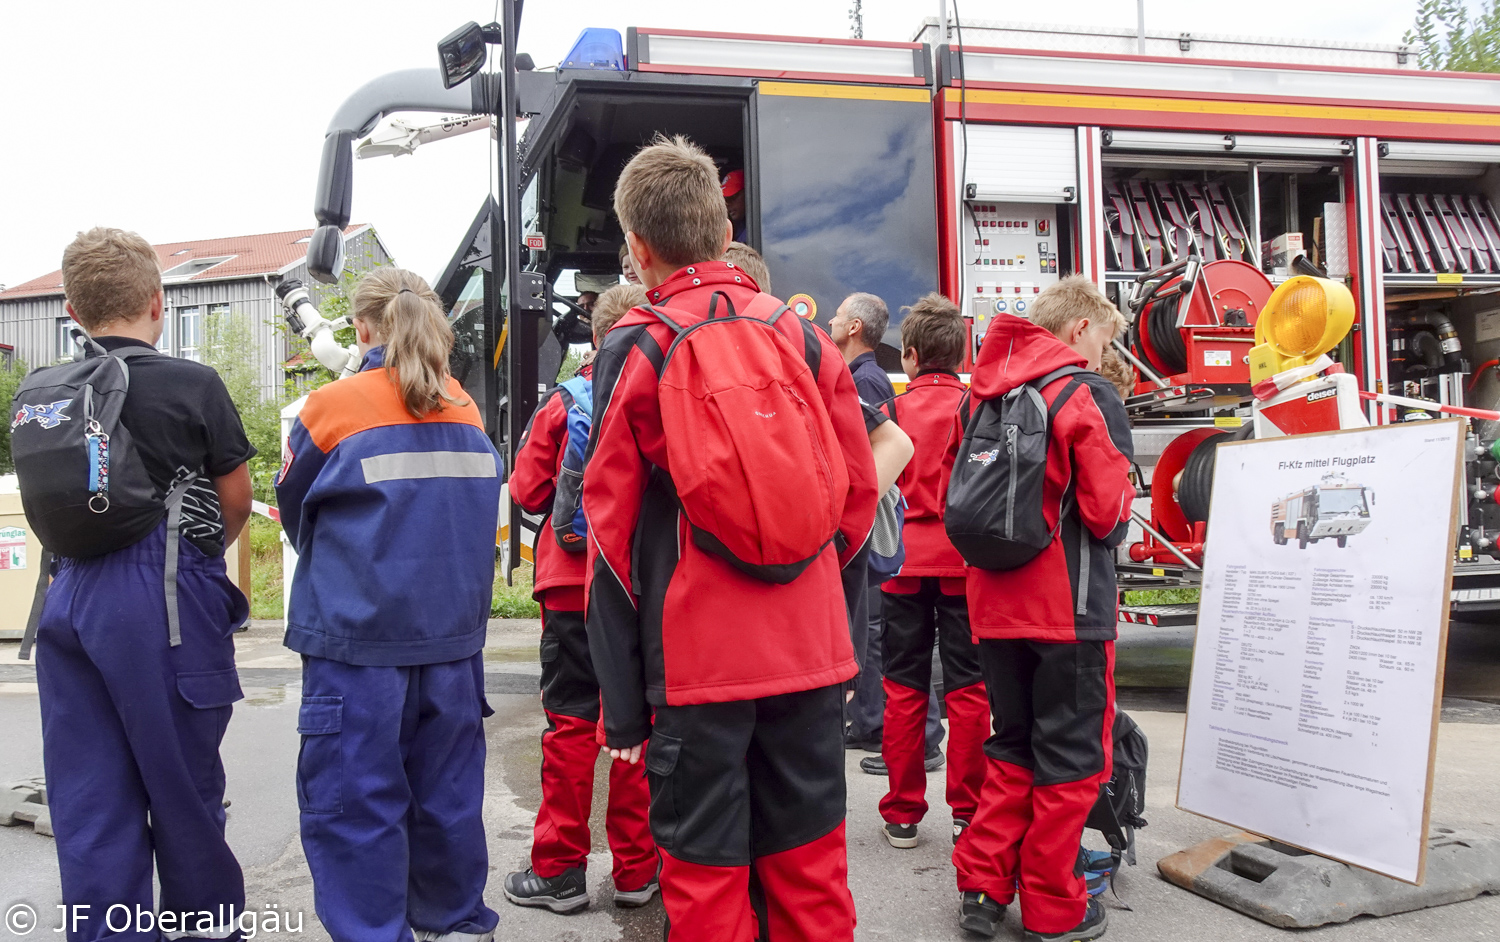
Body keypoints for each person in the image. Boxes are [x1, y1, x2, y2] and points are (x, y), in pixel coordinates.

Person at [586, 135, 878, 941]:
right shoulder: (802, 335)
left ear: (639, 250)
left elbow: (607, 539)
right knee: (812, 878)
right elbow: (855, 501)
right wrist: (838, 638)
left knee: (708, 893)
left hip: (697, 670)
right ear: (723, 233)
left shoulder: (637, 344)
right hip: (810, 657)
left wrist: (621, 711)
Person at [32, 227, 254, 942]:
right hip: (160, 596)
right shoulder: (192, 384)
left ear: (72, 309)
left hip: (67, 598)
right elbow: (238, 498)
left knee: (90, 797)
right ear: (158, 303)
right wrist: (198, 561)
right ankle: (205, 928)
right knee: (183, 788)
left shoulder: (44, 392)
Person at [277, 268, 503, 942]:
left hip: (357, 648)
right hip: (453, 650)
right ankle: (457, 923)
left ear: (363, 326)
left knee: (355, 808)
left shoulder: (332, 408)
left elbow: (296, 512)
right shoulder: (465, 408)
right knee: (448, 801)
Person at [947, 276, 1133, 942]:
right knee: (1074, 757)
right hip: (1069, 609)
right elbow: (1108, 513)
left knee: (1013, 743)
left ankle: (982, 885)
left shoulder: (983, 393)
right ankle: (1057, 906)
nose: (1103, 352)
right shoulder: (1085, 393)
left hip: (993, 608)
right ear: (1081, 327)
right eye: (1105, 338)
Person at [503, 281, 656, 913]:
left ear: (594, 335)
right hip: (641, 586)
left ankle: (559, 869)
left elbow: (527, 491)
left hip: (570, 588)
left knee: (569, 724)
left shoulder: (567, 402)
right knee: (635, 729)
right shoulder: (658, 392)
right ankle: (636, 872)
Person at [877, 294, 989, 851]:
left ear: (911, 355)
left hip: (901, 563)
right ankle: (968, 810)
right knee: (969, 690)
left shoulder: (891, 412)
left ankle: (902, 812)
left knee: (903, 685)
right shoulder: (976, 407)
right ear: (962, 351)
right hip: (965, 562)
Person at [722, 168, 748, 242]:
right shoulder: (735, 227)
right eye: (725, 199)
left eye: (733, 197)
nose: (728, 204)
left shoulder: (760, 229)